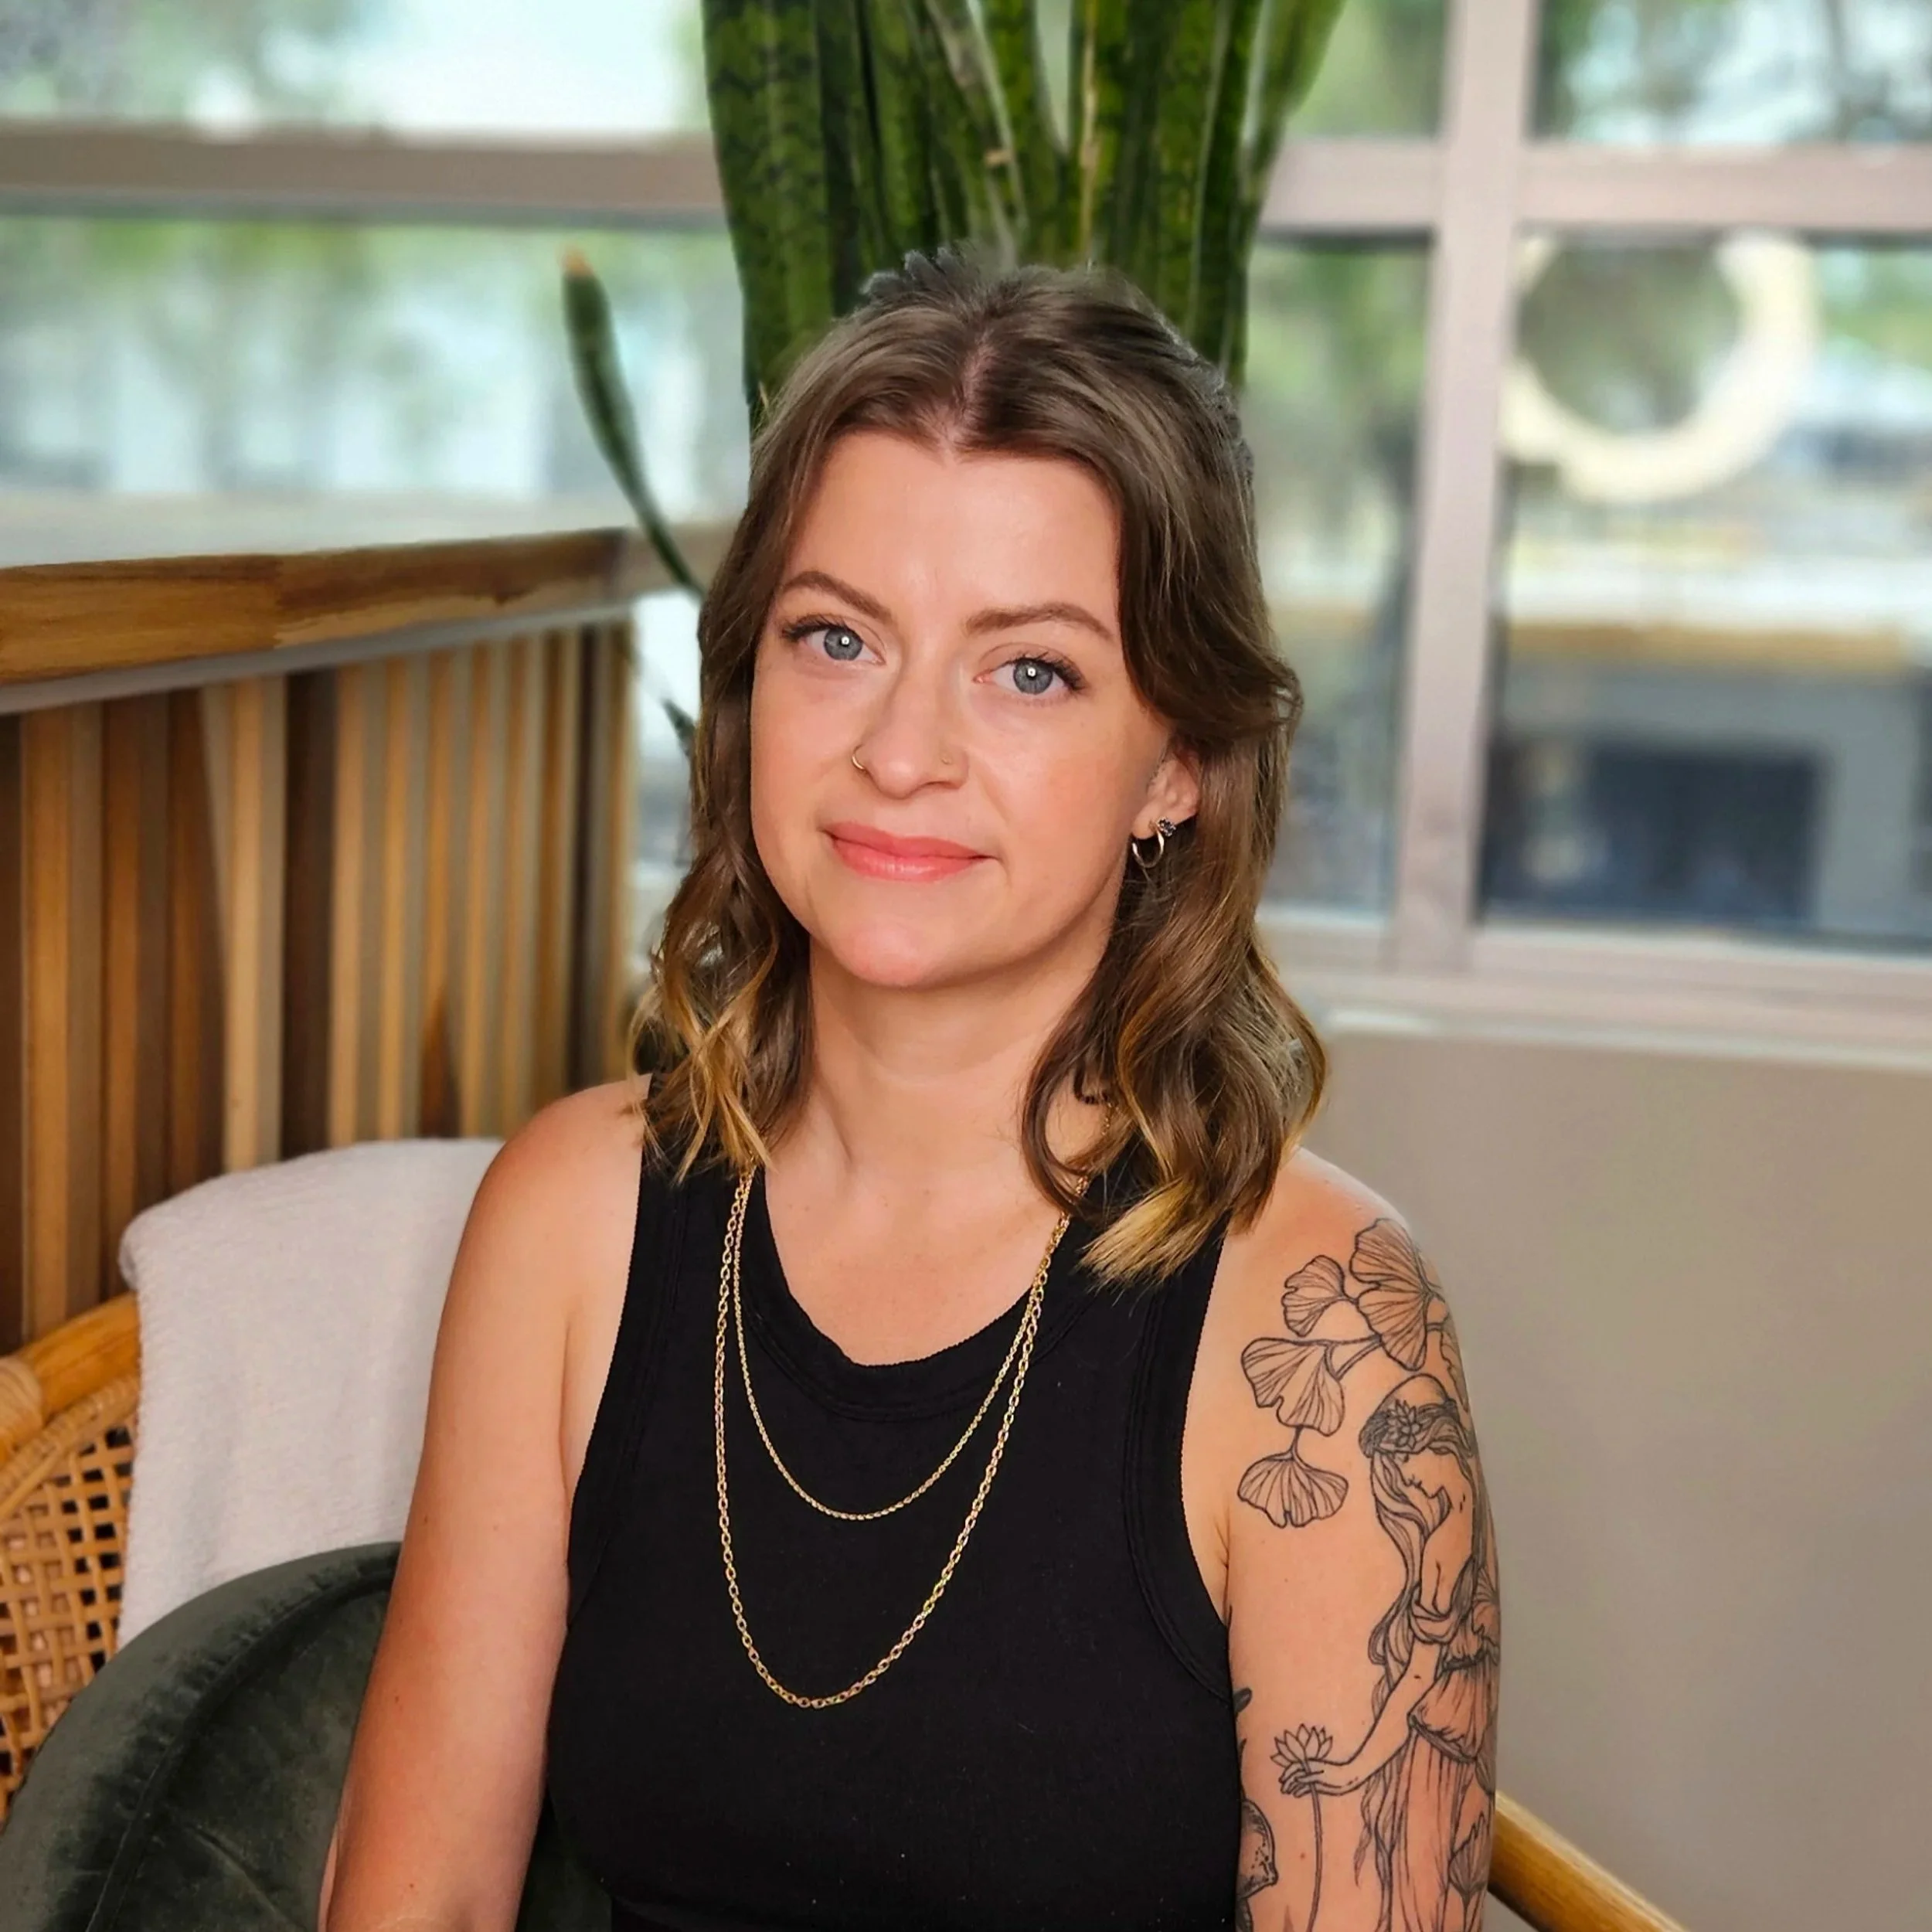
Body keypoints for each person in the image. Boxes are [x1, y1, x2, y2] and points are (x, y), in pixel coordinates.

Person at [319, 248, 1498, 1932]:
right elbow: (410, 1898)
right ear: (746, 688)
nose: (898, 751)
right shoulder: (571, 1213)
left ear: (1174, 760)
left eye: (1028, 669)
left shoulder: (1321, 1333)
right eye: (836, 637)